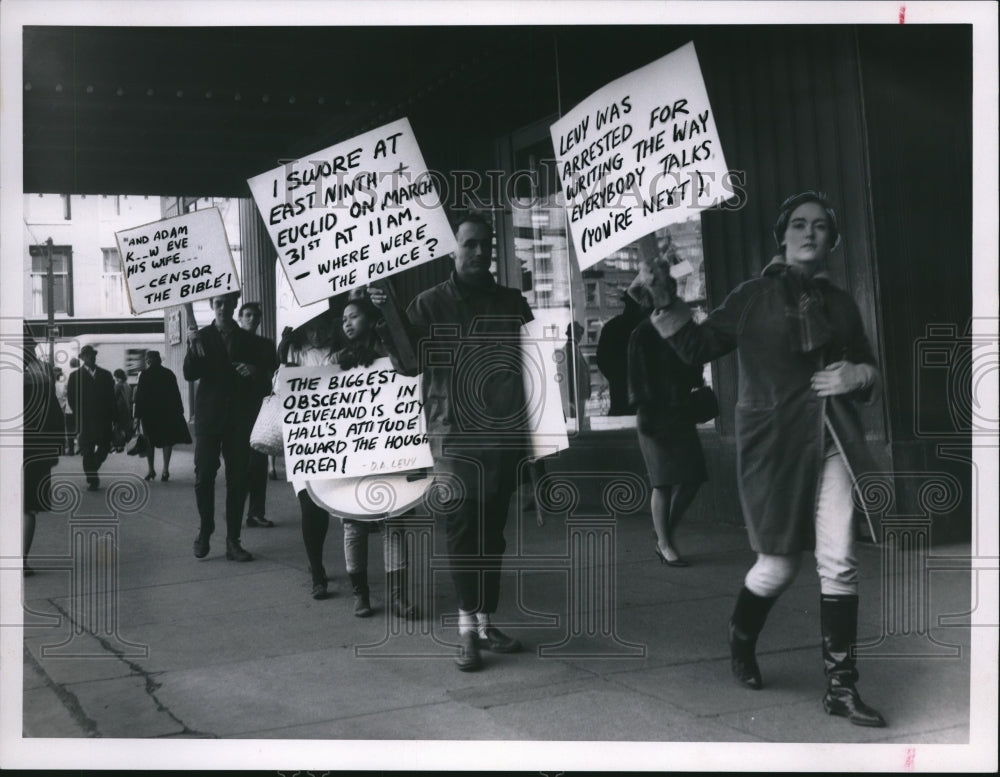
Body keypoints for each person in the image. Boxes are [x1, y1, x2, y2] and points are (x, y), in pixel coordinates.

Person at [649, 191, 886, 727]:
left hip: (832, 442)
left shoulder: (841, 304)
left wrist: (860, 375)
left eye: (821, 226)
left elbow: (868, 365)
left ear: (832, 239)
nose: (809, 233)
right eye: (799, 225)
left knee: (840, 559)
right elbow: (696, 347)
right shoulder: (754, 296)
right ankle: (741, 637)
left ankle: (841, 688)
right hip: (772, 446)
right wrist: (665, 301)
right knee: (778, 566)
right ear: (782, 235)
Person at [370, 212, 532, 672]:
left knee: (492, 536)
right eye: (470, 244)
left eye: (487, 244)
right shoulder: (427, 304)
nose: (480, 252)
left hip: (502, 438)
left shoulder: (510, 302)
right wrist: (388, 311)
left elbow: (532, 368)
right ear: (453, 250)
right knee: (463, 530)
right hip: (453, 437)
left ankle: (484, 623)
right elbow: (407, 364)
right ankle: (466, 630)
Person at [281, 295, 418, 617]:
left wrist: (387, 309)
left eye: (354, 316)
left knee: (393, 522)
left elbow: (410, 364)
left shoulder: (392, 352)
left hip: (388, 449)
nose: (347, 323)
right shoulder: (338, 360)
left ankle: (398, 595)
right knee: (353, 523)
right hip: (352, 452)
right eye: (344, 319)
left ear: (370, 320)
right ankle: (361, 593)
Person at [183, 291, 271, 562]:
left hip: (239, 420)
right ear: (212, 306)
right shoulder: (202, 337)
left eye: (227, 303)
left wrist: (255, 373)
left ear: (235, 305)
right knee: (203, 476)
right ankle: (205, 528)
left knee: (237, 480)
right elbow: (190, 374)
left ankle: (233, 540)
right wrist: (191, 347)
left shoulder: (251, 341)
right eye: (217, 303)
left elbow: (268, 382)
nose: (222, 308)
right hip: (209, 418)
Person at [628, 271, 707, 567]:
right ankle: (664, 541)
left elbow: (694, 363)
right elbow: (637, 377)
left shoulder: (680, 328)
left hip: (679, 410)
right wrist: (645, 411)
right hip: (654, 413)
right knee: (662, 481)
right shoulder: (643, 332)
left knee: (692, 476)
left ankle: (664, 531)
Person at [22, 328, 64, 575]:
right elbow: (55, 417)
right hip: (35, 451)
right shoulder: (43, 373)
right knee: (28, 507)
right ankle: (21, 561)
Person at [237, 302, 278, 528]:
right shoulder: (233, 341)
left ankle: (256, 512)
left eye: (255, 316)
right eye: (247, 315)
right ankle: (237, 510)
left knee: (258, 461)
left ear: (260, 320)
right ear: (240, 318)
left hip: (260, 409)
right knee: (239, 464)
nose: (251, 319)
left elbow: (275, 374)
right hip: (235, 410)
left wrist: (256, 371)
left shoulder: (266, 345)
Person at [133, 350, 191, 481]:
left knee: (149, 441)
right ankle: (165, 470)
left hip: (149, 414)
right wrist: (179, 411)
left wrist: (137, 416)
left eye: (148, 359)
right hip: (167, 413)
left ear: (149, 360)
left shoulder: (144, 375)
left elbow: (139, 397)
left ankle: (151, 470)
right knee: (167, 440)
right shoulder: (168, 374)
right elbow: (176, 394)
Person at [66, 344, 116, 491]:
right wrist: (79, 414)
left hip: (104, 418)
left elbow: (111, 397)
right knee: (87, 449)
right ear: (82, 358)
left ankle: (93, 466)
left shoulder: (106, 375)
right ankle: (92, 479)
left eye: (93, 355)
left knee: (105, 446)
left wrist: (114, 417)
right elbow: (71, 397)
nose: (91, 357)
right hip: (86, 419)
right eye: (88, 355)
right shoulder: (75, 376)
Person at [596, 292, 645, 415]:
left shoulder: (611, 326)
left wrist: (616, 378)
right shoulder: (646, 326)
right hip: (647, 396)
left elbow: (601, 359)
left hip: (619, 393)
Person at [557, 321, 591, 421]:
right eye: (579, 333)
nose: (581, 336)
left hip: (579, 393)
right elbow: (570, 376)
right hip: (576, 395)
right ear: (574, 333)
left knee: (579, 419)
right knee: (577, 421)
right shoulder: (568, 350)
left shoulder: (574, 348)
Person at [111, 368, 134, 452]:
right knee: (125, 427)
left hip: (119, 410)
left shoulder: (118, 385)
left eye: (115, 376)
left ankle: (119, 445)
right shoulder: (127, 385)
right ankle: (124, 444)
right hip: (127, 410)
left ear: (117, 376)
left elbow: (113, 398)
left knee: (118, 428)